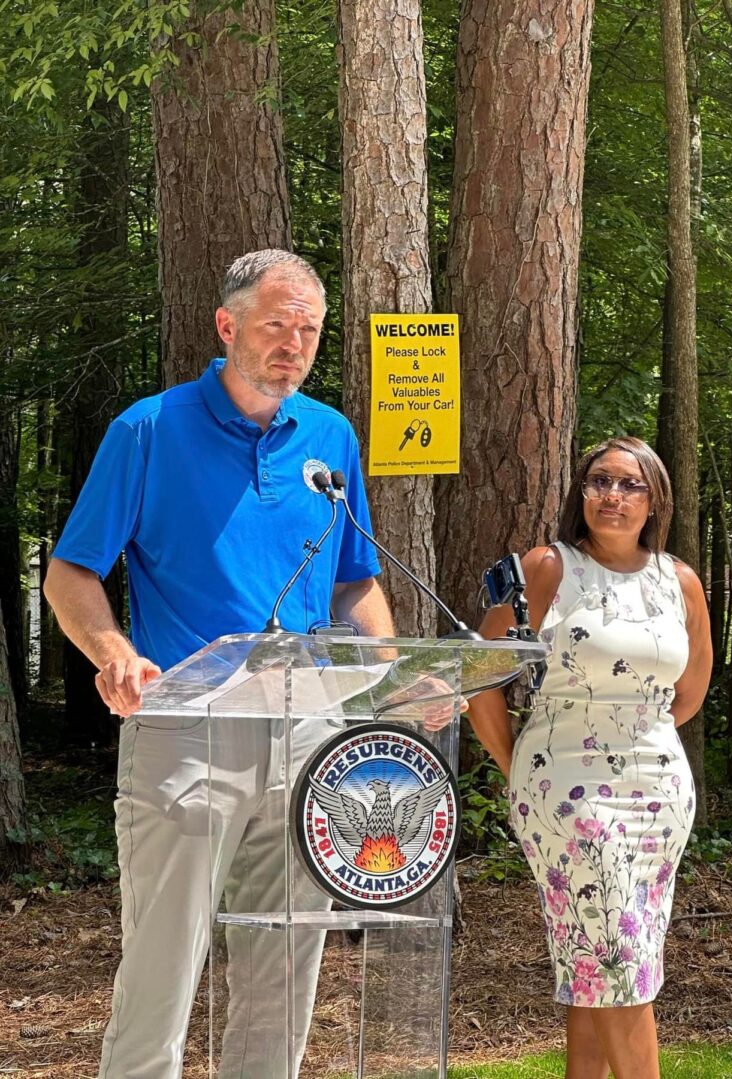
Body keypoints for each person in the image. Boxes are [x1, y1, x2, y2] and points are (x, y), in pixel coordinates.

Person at [44, 249, 398, 1079]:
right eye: (276, 324)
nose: (293, 344)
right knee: (163, 968)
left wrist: (391, 670)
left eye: (309, 329)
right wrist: (114, 652)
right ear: (227, 325)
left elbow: (356, 583)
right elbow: (71, 571)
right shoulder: (149, 428)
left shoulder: (329, 435)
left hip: (312, 729)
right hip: (188, 728)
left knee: (287, 969)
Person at [466, 437, 711, 1079]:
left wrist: (632, 732)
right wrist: (518, 758)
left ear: (655, 499)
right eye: (601, 480)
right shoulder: (550, 566)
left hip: (657, 791)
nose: (613, 495)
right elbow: (478, 673)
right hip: (567, 789)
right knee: (618, 953)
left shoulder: (679, 581)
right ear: (582, 492)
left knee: (597, 959)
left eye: (631, 484)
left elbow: (686, 694)